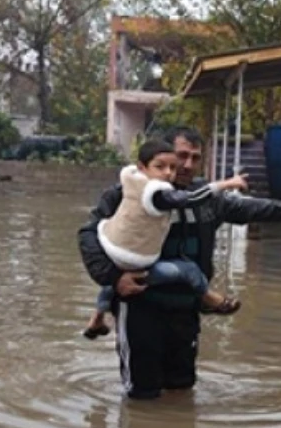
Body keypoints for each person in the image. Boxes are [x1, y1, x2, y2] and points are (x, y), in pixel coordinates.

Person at [77, 126, 281, 400]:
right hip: (140, 305)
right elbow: (89, 235)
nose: (187, 165)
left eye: (195, 158)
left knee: (182, 389)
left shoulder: (206, 199)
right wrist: (115, 277)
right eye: (181, 156)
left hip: (186, 308)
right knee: (142, 394)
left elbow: (250, 208)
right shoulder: (126, 194)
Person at [83, 139, 248, 339]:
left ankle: (97, 318)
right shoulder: (156, 193)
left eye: (172, 167)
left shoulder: (130, 180)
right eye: (160, 167)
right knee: (189, 270)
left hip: (113, 246)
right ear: (142, 167)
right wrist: (227, 184)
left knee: (113, 282)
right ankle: (208, 298)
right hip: (134, 259)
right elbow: (191, 198)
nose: (168, 173)